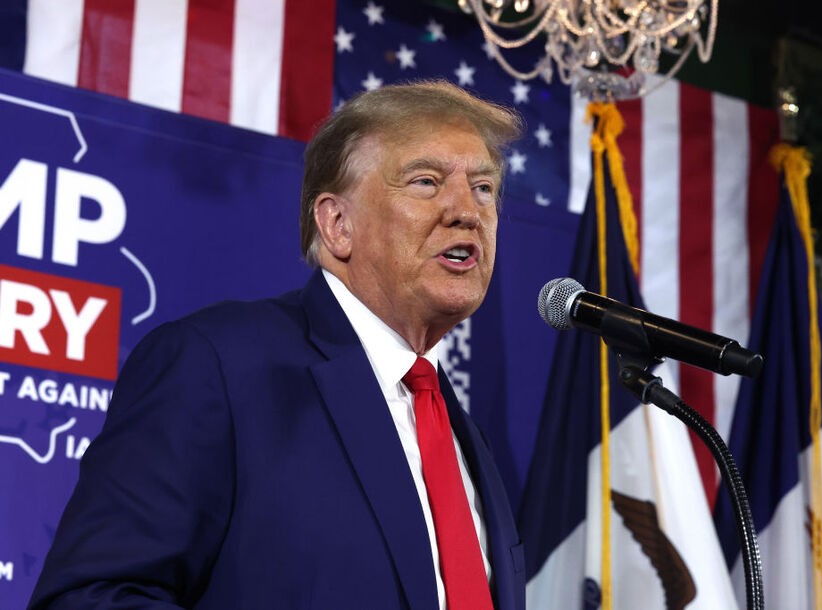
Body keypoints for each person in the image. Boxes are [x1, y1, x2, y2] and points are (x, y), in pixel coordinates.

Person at [28, 80, 525, 610]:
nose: (467, 211)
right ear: (337, 224)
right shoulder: (218, 366)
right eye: (426, 181)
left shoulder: (461, 436)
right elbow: (89, 597)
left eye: (484, 188)